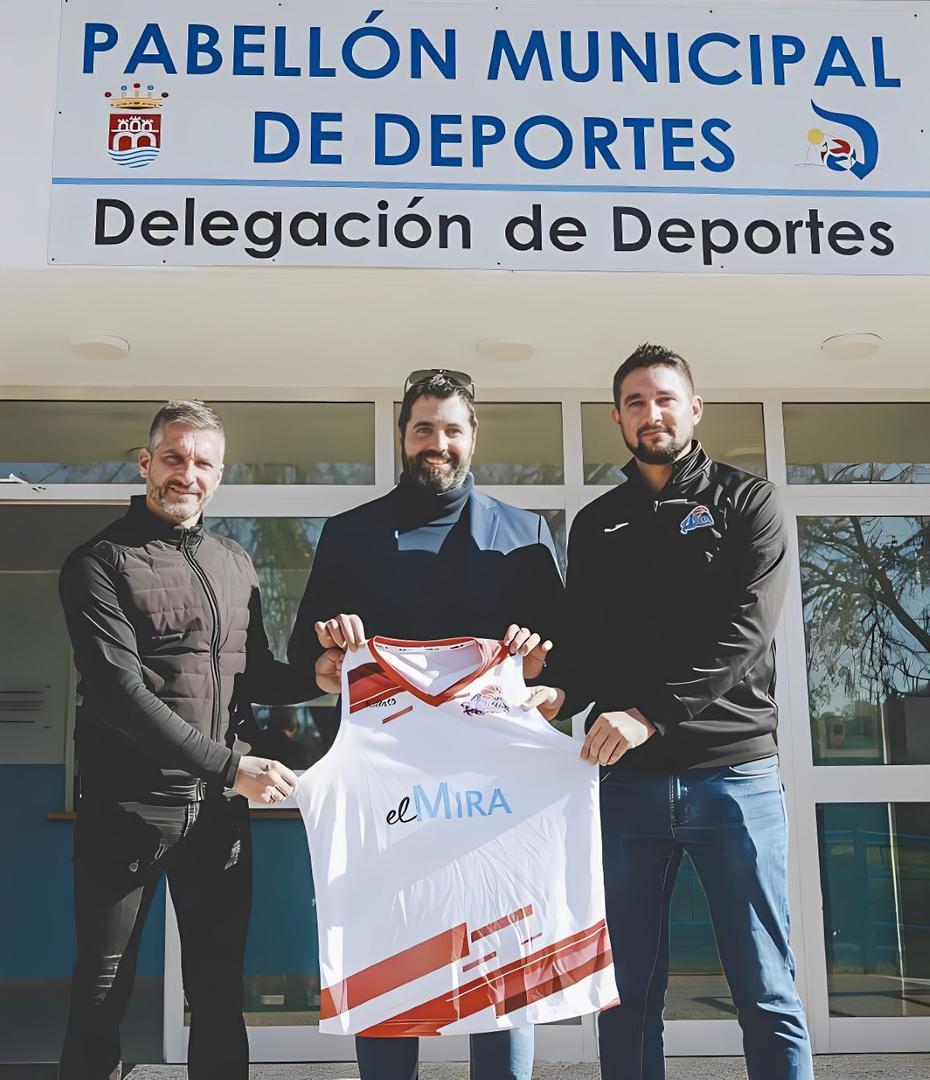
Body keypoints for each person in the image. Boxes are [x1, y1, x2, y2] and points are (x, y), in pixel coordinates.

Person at [288, 370, 566, 1080]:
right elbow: (303, 659)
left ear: (474, 436)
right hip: (390, 796)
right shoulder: (350, 535)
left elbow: (563, 662)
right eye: (423, 429)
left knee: (501, 971)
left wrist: (542, 674)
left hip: (494, 800)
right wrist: (330, 654)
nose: (436, 443)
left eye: (450, 429)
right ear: (402, 436)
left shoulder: (526, 535)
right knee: (390, 971)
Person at [563, 345, 814, 1080]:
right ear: (617, 419)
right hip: (628, 788)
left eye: (665, 398)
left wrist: (647, 714)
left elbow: (745, 633)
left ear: (694, 409)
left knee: (764, 990)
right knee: (627, 998)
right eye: (635, 403)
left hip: (735, 778)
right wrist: (555, 694)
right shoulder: (597, 523)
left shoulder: (750, 503)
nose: (652, 413)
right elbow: (587, 649)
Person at [58, 400, 310, 1080]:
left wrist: (317, 677)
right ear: (146, 463)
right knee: (101, 992)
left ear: (219, 475)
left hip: (217, 817)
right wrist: (232, 767)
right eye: (173, 457)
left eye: (202, 463)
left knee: (219, 993)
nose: (186, 474)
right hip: (127, 811)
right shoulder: (98, 563)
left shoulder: (235, 561)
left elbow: (254, 673)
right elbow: (120, 694)